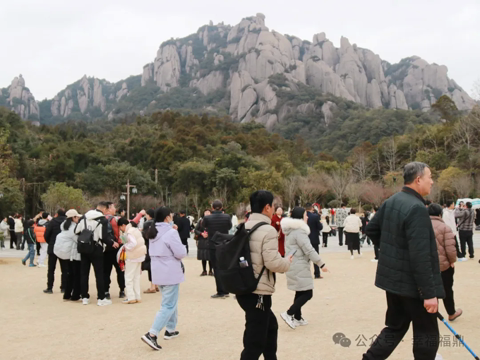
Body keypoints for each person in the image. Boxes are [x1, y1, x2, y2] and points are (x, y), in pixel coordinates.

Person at [362, 162, 445, 360]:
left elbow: (372, 229)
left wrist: (393, 253)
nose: (432, 181)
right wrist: (429, 293)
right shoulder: (416, 208)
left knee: (395, 327)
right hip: (414, 285)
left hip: (394, 281)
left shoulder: (391, 201)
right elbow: (420, 255)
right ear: (418, 180)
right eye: (429, 177)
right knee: (427, 335)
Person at [236, 190, 292, 360]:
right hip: (258, 292)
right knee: (255, 342)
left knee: (270, 326)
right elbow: (272, 263)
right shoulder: (268, 230)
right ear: (267, 207)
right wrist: (287, 262)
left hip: (244, 287)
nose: (275, 209)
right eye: (274, 206)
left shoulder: (243, 226)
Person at [141, 207, 187, 351]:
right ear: (167, 217)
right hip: (170, 272)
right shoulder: (171, 232)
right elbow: (180, 253)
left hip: (158, 272)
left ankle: (171, 329)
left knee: (170, 301)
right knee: (168, 304)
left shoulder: (152, 231)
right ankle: (152, 333)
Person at [280, 207, 328, 329]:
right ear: (301, 217)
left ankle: (297, 317)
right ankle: (289, 313)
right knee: (308, 293)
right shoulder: (299, 232)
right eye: (306, 215)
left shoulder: (290, 230)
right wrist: (321, 264)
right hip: (299, 264)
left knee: (300, 291)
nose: (307, 217)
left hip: (294, 264)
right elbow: (309, 249)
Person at [74, 203, 119, 306]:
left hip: (84, 248)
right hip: (96, 248)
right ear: (104, 209)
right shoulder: (102, 220)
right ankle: (101, 298)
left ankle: (85, 297)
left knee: (84, 273)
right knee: (99, 274)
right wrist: (112, 243)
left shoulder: (84, 217)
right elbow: (103, 236)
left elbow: (76, 231)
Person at [429, 203, 462, 321]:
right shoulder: (445, 228)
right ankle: (451, 312)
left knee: (430, 290)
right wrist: (452, 261)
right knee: (447, 289)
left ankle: (432, 314)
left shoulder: (421, 227)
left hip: (427, 266)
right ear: (440, 214)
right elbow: (450, 248)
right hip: (444, 266)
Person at [203, 199, 232, 299]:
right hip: (225, 244)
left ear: (212, 208)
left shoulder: (207, 218)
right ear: (222, 207)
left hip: (213, 244)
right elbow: (229, 226)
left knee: (216, 268)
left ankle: (220, 291)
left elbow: (204, 226)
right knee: (225, 267)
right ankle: (227, 289)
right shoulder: (227, 217)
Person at [54, 209, 82, 301]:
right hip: (71, 255)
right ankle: (75, 295)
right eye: (77, 217)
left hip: (63, 254)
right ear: (73, 218)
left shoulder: (64, 226)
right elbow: (78, 240)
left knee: (69, 274)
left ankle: (67, 294)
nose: (78, 218)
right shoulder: (73, 228)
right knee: (76, 275)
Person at [117, 218, 147, 304]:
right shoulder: (135, 230)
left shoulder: (129, 232)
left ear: (123, 225)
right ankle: (137, 296)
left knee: (129, 277)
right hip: (140, 255)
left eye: (120, 227)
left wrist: (125, 247)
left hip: (132, 256)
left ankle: (130, 297)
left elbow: (133, 243)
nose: (121, 229)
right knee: (136, 277)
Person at [103, 202, 127, 300]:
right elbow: (126, 229)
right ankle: (121, 290)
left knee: (106, 272)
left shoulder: (101, 219)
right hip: (118, 249)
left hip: (106, 249)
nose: (115, 209)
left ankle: (106, 291)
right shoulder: (117, 219)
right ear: (108, 209)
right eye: (113, 207)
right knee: (120, 271)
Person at [44, 209, 67, 294]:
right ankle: (63, 287)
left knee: (51, 269)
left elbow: (46, 235)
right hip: (64, 247)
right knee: (65, 269)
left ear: (57, 214)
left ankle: (50, 287)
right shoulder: (67, 222)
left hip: (53, 246)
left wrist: (50, 242)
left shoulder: (52, 222)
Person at [142, 209, 159, 294]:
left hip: (149, 247)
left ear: (149, 215)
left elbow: (146, 236)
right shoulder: (157, 223)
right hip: (157, 247)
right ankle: (156, 285)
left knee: (150, 267)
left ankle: (152, 286)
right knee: (155, 266)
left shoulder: (147, 223)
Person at [305, 203, 323, 279]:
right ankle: (317, 273)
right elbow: (320, 227)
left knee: (305, 258)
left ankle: (305, 274)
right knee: (315, 256)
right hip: (314, 238)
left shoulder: (302, 217)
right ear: (312, 208)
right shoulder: (315, 217)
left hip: (304, 239)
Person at [195, 209, 213, 276]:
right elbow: (196, 230)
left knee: (210, 256)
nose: (207, 213)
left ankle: (211, 270)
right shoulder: (200, 221)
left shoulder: (213, 221)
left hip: (210, 239)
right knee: (203, 256)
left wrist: (210, 234)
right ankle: (204, 270)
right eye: (206, 212)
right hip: (202, 240)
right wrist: (202, 233)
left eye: (208, 212)